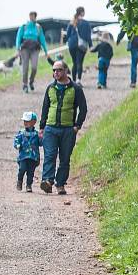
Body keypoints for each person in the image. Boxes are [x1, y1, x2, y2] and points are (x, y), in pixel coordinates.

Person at [39, 60, 88, 195]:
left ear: (66, 70)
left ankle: (60, 184)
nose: (56, 72)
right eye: (54, 70)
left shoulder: (76, 89)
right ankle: (48, 181)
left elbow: (83, 109)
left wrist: (77, 126)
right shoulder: (50, 88)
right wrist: (42, 127)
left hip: (68, 129)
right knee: (49, 155)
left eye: (59, 70)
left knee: (65, 158)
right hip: (50, 128)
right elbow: (45, 108)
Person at [15, 11, 49, 93]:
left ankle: (31, 82)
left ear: (35, 17)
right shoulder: (24, 27)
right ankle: (25, 84)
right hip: (25, 49)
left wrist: (46, 51)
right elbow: (18, 38)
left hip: (35, 49)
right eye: (30, 15)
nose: (31, 17)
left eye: (33, 16)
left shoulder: (38, 27)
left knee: (34, 67)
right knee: (25, 67)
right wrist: (17, 49)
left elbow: (42, 39)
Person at [116, 22, 138, 88]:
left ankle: (133, 83)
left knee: (134, 65)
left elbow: (122, 32)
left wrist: (118, 40)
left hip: (134, 46)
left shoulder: (128, 20)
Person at [14, 111, 41, 192]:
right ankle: (19, 181)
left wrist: (41, 137)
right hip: (23, 156)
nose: (25, 123)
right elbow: (16, 140)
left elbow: (40, 143)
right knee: (22, 168)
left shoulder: (36, 133)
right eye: (24, 121)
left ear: (34, 122)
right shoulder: (21, 133)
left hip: (33, 156)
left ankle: (29, 185)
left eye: (28, 121)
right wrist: (17, 144)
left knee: (31, 172)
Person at [65, 7, 92, 85]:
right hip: (81, 45)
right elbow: (88, 36)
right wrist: (90, 45)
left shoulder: (71, 22)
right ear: (82, 12)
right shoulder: (86, 23)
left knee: (74, 63)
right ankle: (78, 80)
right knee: (79, 62)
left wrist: (68, 42)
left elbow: (67, 34)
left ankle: (73, 81)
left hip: (72, 45)